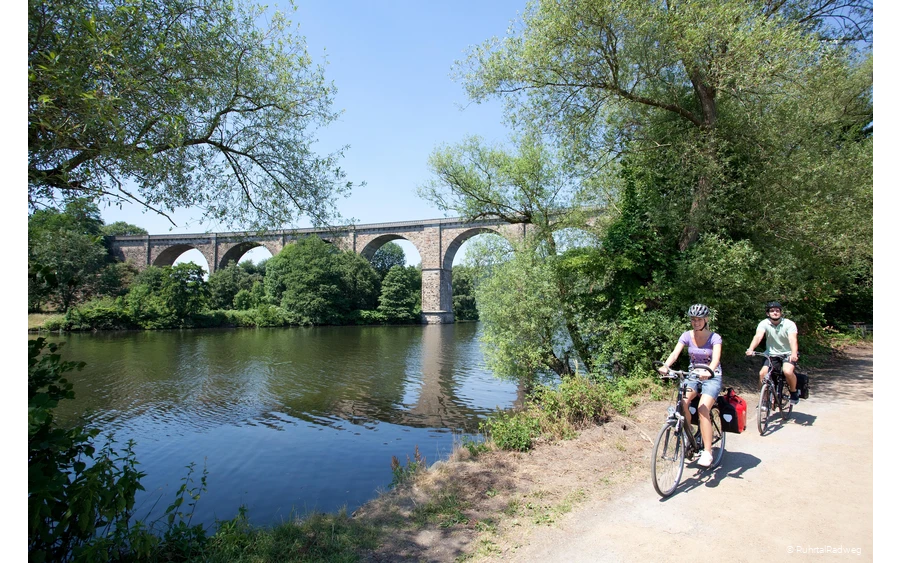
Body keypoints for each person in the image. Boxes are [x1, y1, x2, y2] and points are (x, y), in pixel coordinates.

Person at [657, 303, 723, 468]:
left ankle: (708, 451)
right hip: (693, 375)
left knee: (702, 409)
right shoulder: (686, 336)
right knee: (682, 403)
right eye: (693, 320)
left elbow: (715, 359)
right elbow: (675, 353)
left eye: (699, 320)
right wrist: (666, 366)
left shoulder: (715, 338)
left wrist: (709, 371)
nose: (696, 322)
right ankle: (689, 433)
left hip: (712, 377)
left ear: (706, 320)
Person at [746, 301, 800, 404]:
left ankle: (793, 392)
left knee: (787, 371)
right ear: (768, 313)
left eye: (777, 310)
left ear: (781, 312)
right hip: (771, 354)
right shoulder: (764, 323)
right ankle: (765, 399)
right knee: (762, 373)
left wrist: (794, 353)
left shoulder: (789, 324)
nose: (775, 313)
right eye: (772, 311)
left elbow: (793, 339)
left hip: (787, 354)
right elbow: (758, 337)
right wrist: (751, 348)